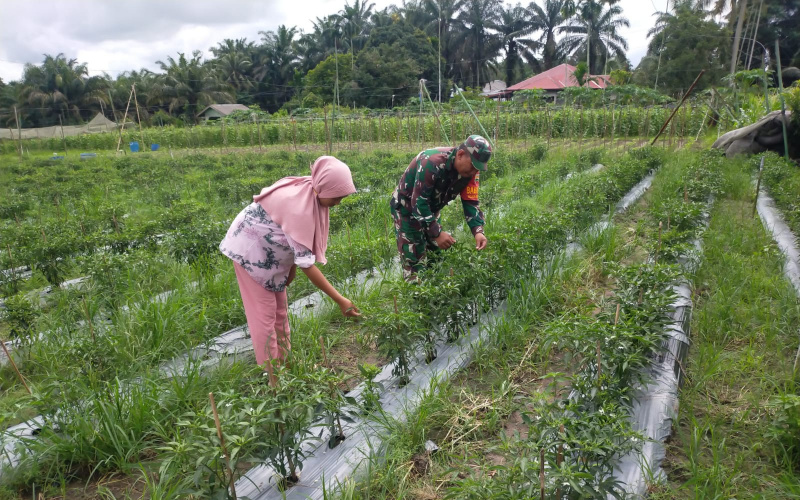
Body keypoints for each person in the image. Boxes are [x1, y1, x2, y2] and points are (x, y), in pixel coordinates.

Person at [220, 156, 361, 370]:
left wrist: (290, 268)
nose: (338, 203)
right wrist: (340, 300)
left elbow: (292, 236)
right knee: (264, 317)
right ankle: (273, 375)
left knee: (280, 312)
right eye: (336, 198)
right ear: (322, 188)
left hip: (271, 252)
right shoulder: (299, 208)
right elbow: (307, 264)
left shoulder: (312, 191)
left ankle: (286, 364)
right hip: (250, 253)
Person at [390, 135, 492, 281]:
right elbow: (419, 203)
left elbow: (470, 202)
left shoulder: (470, 172)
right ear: (460, 154)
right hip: (407, 209)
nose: (474, 172)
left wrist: (478, 231)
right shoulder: (431, 163)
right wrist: (437, 233)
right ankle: (415, 292)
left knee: (435, 255)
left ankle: (434, 288)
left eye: (478, 168)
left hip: (431, 209)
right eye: (473, 166)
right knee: (414, 260)